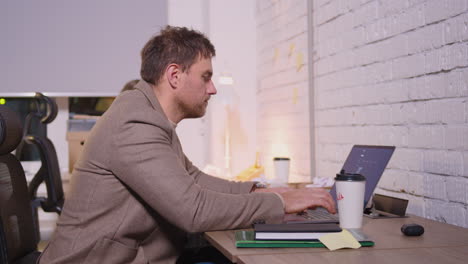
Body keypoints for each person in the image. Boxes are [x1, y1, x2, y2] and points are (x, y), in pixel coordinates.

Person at [38, 26, 335, 264]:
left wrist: (260, 190)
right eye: (205, 77)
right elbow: (193, 211)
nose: (213, 88)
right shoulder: (135, 123)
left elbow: (193, 179)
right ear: (175, 76)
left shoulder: (150, 116)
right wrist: (280, 203)